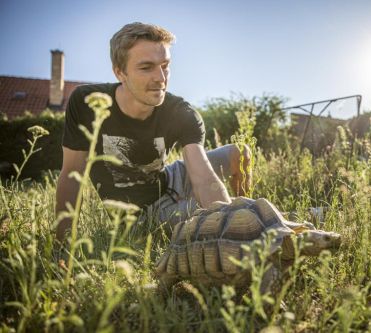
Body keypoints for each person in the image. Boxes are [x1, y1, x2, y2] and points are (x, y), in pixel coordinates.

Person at [55, 22, 251, 242]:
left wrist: (235, 219)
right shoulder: (86, 103)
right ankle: (241, 226)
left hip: (170, 178)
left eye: (165, 65)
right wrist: (62, 245)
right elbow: (72, 175)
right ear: (120, 72)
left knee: (239, 154)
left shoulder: (181, 111)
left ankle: (244, 222)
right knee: (205, 216)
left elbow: (203, 178)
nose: (161, 78)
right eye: (146, 67)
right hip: (143, 215)